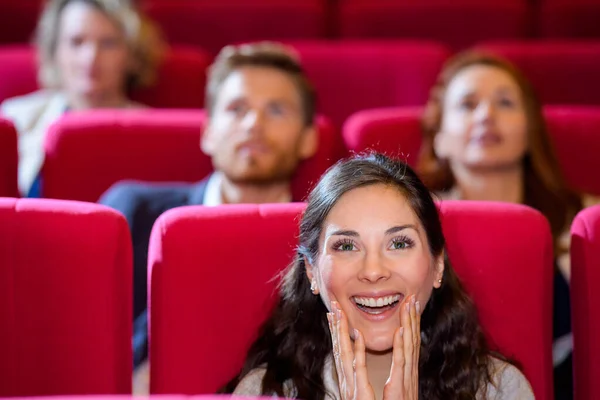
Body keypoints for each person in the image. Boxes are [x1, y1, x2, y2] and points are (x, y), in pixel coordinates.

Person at [230, 153, 534, 399]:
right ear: (311, 271)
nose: (374, 271)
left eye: (399, 243)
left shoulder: (499, 389)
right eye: (347, 246)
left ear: (437, 264)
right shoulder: (264, 393)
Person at [100, 42, 318, 367]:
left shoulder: (324, 239)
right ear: (207, 133)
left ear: (308, 139)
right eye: (236, 109)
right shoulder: (132, 212)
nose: (253, 124)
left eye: (276, 110)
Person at [418, 51, 581, 400]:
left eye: (505, 103)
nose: (486, 116)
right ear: (439, 137)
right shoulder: (409, 225)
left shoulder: (586, 220)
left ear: (530, 130)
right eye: (467, 104)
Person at [0, 0, 164, 197]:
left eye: (108, 43)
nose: (91, 57)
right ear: (54, 50)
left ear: (131, 55)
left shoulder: (156, 130)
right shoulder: (15, 118)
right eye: (76, 42)